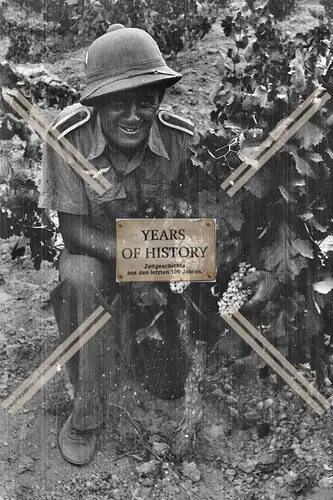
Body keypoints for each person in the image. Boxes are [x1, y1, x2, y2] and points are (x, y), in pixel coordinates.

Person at [38, 25, 277, 466]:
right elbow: (75, 235)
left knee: (166, 384)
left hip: (161, 274)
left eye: (146, 100)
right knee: (77, 274)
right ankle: (86, 413)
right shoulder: (67, 140)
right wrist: (147, 256)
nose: (133, 115)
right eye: (117, 102)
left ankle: (128, 332)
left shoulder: (181, 138)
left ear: (160, 100)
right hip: (101, 257)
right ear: (95, 105)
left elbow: (219, 215)